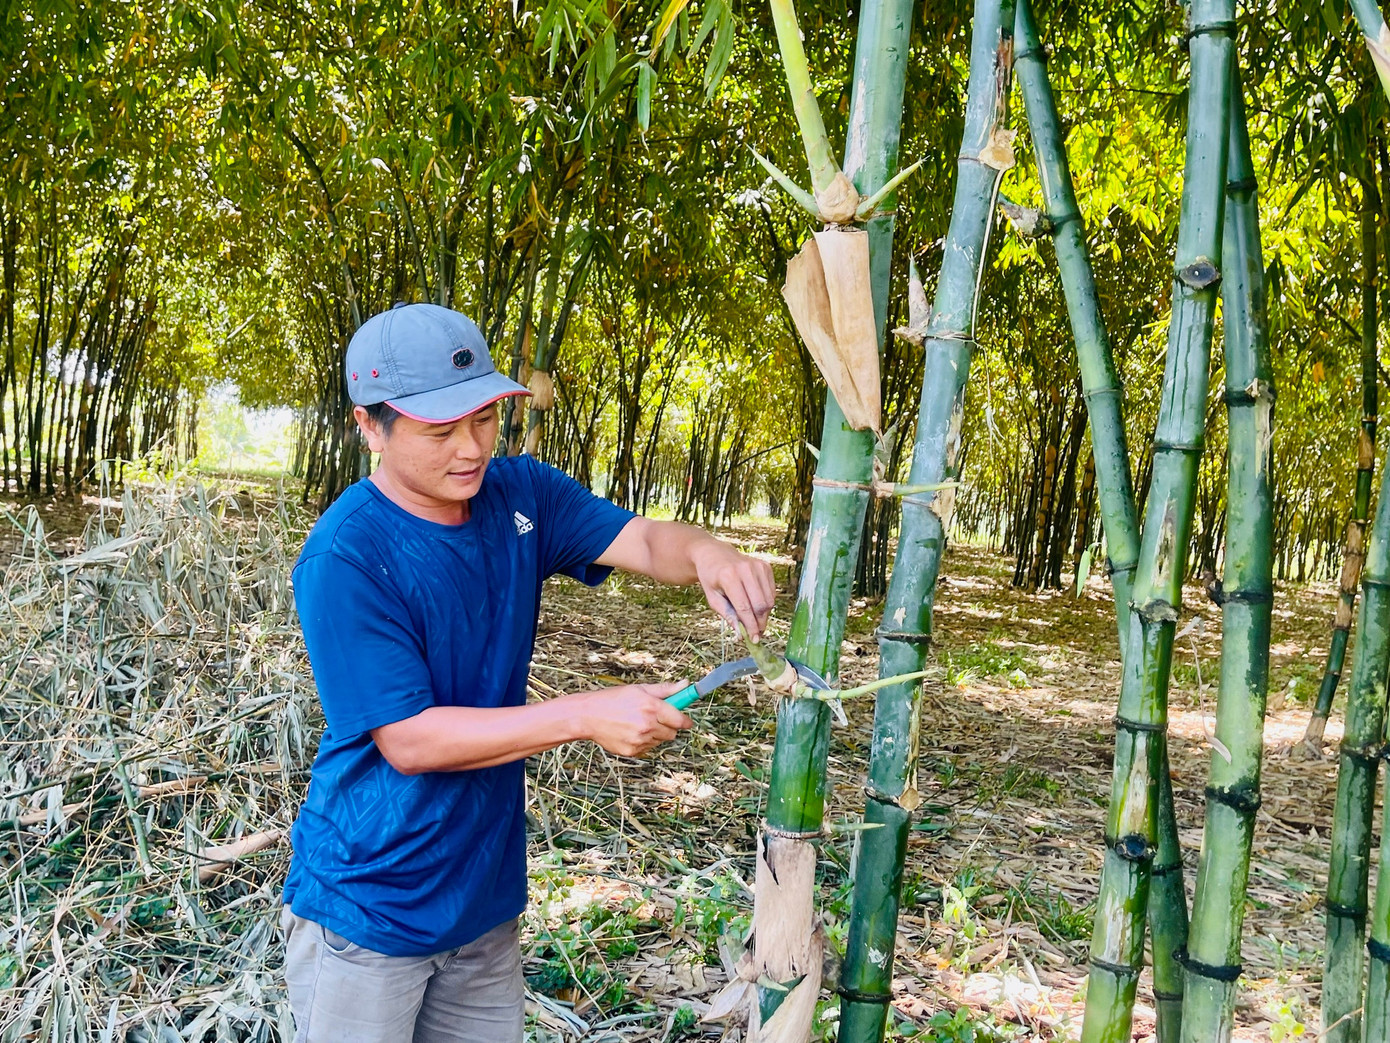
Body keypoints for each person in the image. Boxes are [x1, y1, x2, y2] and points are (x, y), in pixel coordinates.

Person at [280, 302, 776, 1043]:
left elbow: (641, 538)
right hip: (371, 904)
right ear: (369, 426)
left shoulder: (519, 497)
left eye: (482, 418)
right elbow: (409, 739)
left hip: (482, 898)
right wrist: (584, 714)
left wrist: (707, 551)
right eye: (439, 430)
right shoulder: (348, 555)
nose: (470, 448)